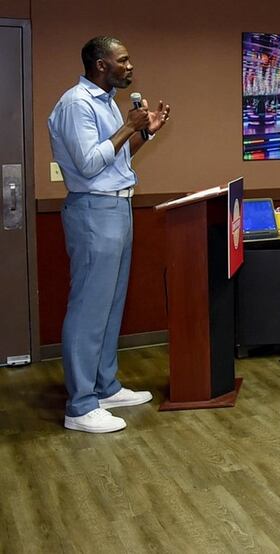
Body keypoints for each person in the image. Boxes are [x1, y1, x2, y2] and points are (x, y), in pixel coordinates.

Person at [48, 36, 171, 433]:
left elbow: (113, 156)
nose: (130, 66)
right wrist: (127, 126)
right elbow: (87, 165)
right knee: (88, 308)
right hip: (92, 211)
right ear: (101, 65)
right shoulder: (76, 104)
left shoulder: (104, 102)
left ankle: (104, 386)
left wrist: (143, 132)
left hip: (118, 205)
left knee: (110, 303)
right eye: (124, 60)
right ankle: (81, 405)